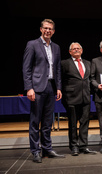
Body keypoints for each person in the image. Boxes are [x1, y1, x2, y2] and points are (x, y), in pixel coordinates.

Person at [22, 19, 64, 163]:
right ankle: (35, 151)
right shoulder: (32, 44)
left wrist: (58, 87)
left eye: (50, 29)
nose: (48, 31)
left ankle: (47, 148)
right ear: (41, 29)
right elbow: (26, 68)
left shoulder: (56, 47)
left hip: (51, 87)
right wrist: (29, 88)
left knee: (47, 121)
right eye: (45, 28)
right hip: (37, 87)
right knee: (35, 121)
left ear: (53, 31)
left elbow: (57, 69)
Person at [61, 42, 97, 156]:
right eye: (74, 49)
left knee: (84, 123)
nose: (76, 50)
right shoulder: (64, 63)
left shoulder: (88, 63)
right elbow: (60, 80)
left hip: (85, 97)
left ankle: (83, 146)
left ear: (81, 50)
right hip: (71, 98)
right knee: (72, 124)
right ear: (70, 52)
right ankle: (74, 146)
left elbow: (91, 79)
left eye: (78, 48)